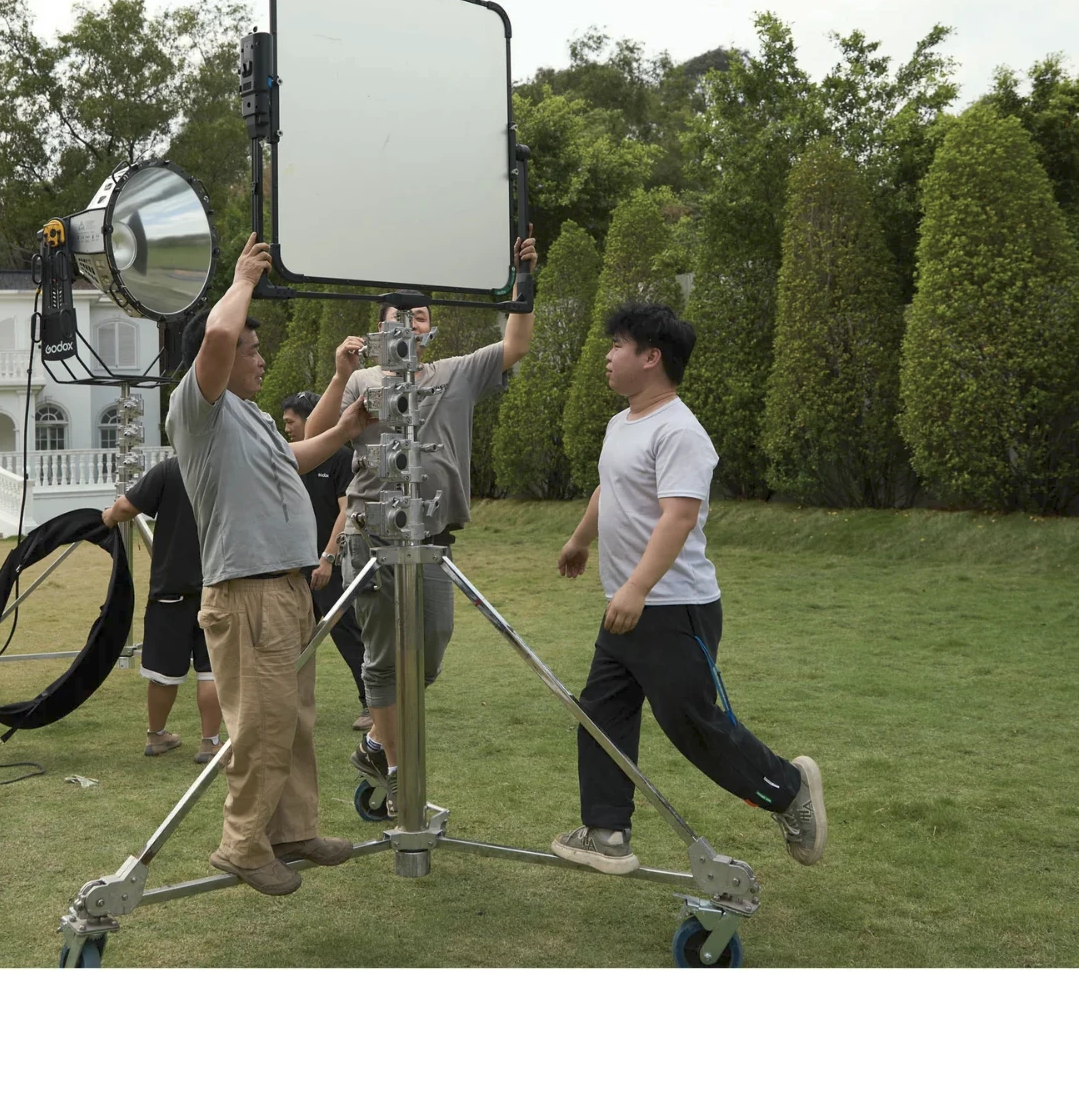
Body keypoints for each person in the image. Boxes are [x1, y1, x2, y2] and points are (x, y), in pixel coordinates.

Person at [551, 300, 827, 873]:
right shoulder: (622, 424)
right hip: (626, 605)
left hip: (674, 608)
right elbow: (609, 489)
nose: (608, 356)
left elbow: (678, 516)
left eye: (618, 346)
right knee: (601, 713)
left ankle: (789, 788)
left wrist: (636, 588)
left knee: (693, 726)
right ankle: (606, 831)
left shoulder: (680, 431)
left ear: (651, 357)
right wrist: (580, 540)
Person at [305, 229, 539, 818]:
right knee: (385, 658)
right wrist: (338, 375)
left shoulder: (456, 373)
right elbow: (310, 438)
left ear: (430, 330)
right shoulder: (363, 383)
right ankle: (401, 779)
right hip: (371, 535)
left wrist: (523, 280)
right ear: (379, 331)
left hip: (433, 539)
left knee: (429, 652)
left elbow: (516, 343)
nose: (411, 325)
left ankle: (376, 745)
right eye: (400, 318)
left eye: (420, 318)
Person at [166, 233, 374, 897]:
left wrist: (344, 429)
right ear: (219, 360)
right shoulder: (197, 411)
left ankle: (291, 831)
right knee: (261, 725)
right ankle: (242, 845)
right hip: (247, 595)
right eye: (251, 350)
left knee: (294, 720)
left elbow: (295, 458)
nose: (261, 359)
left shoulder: (250, 418)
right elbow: (217, 336)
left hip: (286, 589)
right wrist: (242, 280)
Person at [100, 456, 222, 765]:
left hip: (170, 588)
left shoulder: (171, 468)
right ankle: (210, 743)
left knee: (162, 672)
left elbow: (125, 507)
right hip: (217, 585)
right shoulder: (226, 465)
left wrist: (108, 516)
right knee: (212, 669)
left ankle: (156, 736)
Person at [281, 389, 371, 732]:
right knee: (292, 637)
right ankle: (287, 704)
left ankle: (371, 703)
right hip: (296, 565)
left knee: (347, 632)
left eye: (291, 422)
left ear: (309, 419)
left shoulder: (340, 458)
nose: (286, 428)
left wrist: (328, 558)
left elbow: (347, 510)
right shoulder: (291, 459)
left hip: (330, 565)